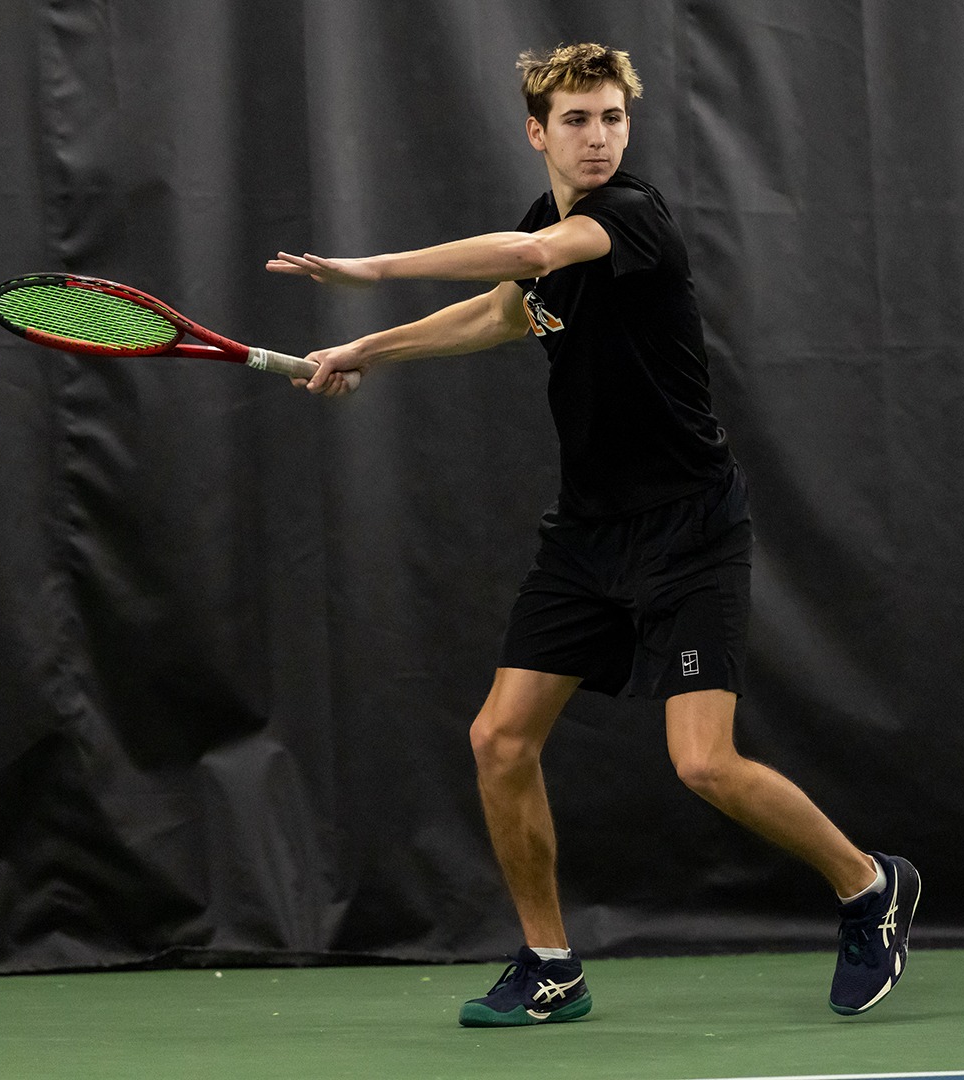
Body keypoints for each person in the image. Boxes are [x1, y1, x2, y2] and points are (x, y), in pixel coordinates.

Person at [267, 42, 918, 1027]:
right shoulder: (549, 219)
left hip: (689, 531)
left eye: (612, 117)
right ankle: (550, 964)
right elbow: (502, 311)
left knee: (704, 764)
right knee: (498, 740)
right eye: (576, 121)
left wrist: (372, 271)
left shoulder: (633, 218)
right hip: (587, 537)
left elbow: (528, 264)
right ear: (539, 132)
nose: (599, 137)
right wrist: (365, 349)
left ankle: (869, 886)